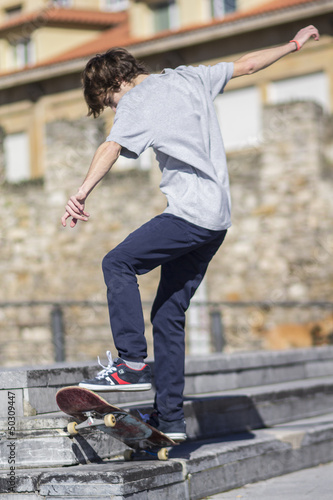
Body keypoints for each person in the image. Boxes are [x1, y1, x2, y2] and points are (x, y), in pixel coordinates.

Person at [61, 25, 319, 442]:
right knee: (168, 314)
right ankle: (172, 420)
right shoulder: (189, 76)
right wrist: (293, 44)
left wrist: (81, 192)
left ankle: (129, 365)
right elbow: (250, 64)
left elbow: (109, 147)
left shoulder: (134, 100)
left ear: (114, 84)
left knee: (118, 262)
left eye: (108, 102)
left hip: (189, 215)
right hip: (217, 220)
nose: (113, 110)